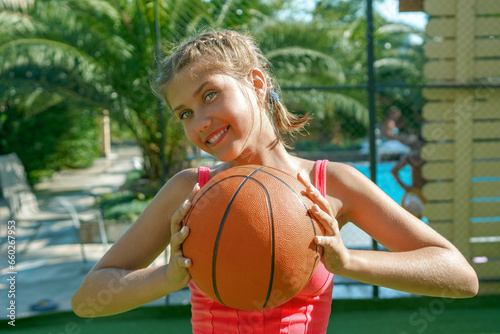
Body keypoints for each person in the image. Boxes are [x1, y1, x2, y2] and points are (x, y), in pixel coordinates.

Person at [71, 29, 478, 333]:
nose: (199, 122)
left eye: (209, 94)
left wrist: (350, 261)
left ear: (257, 82)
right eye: (184, 113)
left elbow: (460, 276)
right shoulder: (189, 191)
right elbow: (89, 300)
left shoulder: (330, 184)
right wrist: (169, 277)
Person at [391, 139, 427, 219]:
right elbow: (394, 171)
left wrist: (405, 187)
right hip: (417, 193)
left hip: (422, 194)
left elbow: (394, 171)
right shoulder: (415, 157)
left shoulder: (417, 157)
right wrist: (405, 187)